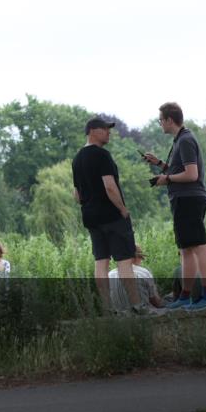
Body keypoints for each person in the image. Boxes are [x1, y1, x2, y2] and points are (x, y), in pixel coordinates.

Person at [144, 102, 206, 310]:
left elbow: (191, 174)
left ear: (169, 120)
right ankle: (186, 296)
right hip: (183, 199)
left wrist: (167, 179)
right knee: (186, 249)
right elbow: (179, 169)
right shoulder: (180, 140)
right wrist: (160, 164)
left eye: (161, 120)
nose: (160, 124)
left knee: (199, 246)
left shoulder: (186, 140)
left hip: (189, 199)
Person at [72, 117, 145, 313]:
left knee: (101, 261)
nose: (109, 132)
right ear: (93, 131)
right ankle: (136, 305)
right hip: (111, 215)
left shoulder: (77, 159)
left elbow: (77, 195)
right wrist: (122, 209)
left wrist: (90, 203)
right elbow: (110, 187)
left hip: (90, 217)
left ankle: (107, 308)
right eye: (105, 129)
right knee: (124, 260)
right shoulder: (102, 155)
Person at [108, 245, 165, 310]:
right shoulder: (143, 272)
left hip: (119, 315)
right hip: (145, 314)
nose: (141, 260)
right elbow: (157, 303)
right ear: (135, 257)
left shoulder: (109, 275)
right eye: (141, 257)